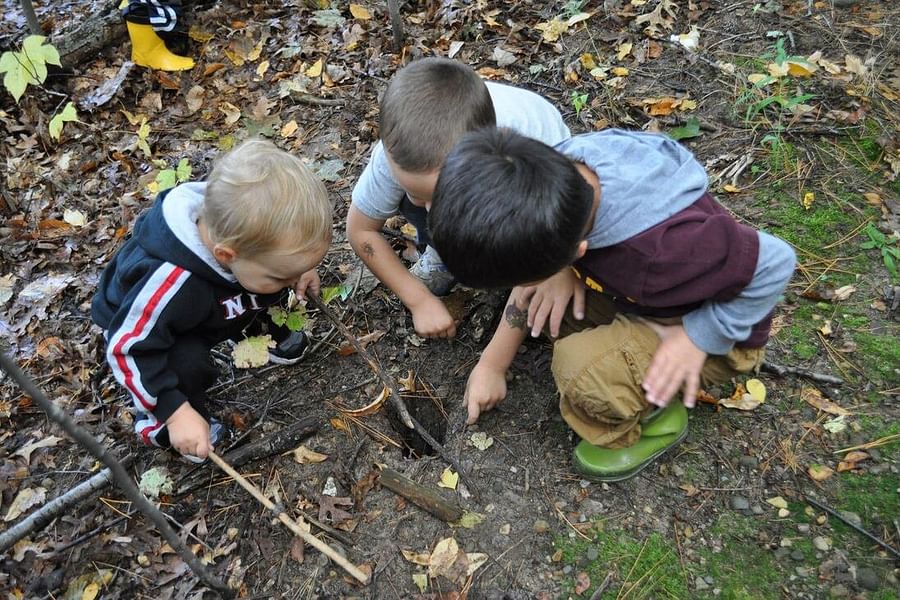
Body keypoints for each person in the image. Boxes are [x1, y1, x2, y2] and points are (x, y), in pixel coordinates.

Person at [428, 128, 796, 481]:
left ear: (578, 251)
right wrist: (493, 363)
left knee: (582, 373)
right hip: (643, 296)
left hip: (716, 330)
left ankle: (656, 422)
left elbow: (775, 261)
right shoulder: (560, 168)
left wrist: (699, 338)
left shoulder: (664, 250)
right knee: (548, 304)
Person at [92, 139, 332, 462]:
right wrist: (174, 412)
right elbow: (127, 348)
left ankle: (263, 334)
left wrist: (297, 270)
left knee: (260, 284)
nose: (292, 281)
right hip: (146, 331)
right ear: (226, 255)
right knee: (187, 364)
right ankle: (168, 426)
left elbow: (270, 268)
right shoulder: (170, 282)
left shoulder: (246, 237)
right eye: (283, 274)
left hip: (216, 298)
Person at [347, 57, 570, 339]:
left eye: (444, 195)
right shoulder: (396, 155)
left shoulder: (530, 153)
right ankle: (444, 254)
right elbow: (360, 229)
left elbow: (554, 238)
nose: (432, 212)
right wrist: (418, 300)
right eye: (418, 193)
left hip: (531, 197)